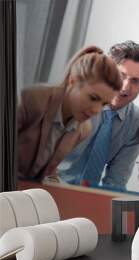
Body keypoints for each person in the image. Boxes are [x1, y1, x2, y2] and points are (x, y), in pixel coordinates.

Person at [58, 41, 139, 189]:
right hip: (48, 187)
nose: (125, 87)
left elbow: (116, 182)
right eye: (120, 75)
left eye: (136, 81)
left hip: (88, 199)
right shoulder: (74, 99)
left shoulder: (134, 121)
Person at [17, 46, 122, 181]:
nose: (97, 110)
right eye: (93, 98)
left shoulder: (84, 129)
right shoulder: (30, 99)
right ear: (72, 81)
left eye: (104, 104)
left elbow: (44, 168)